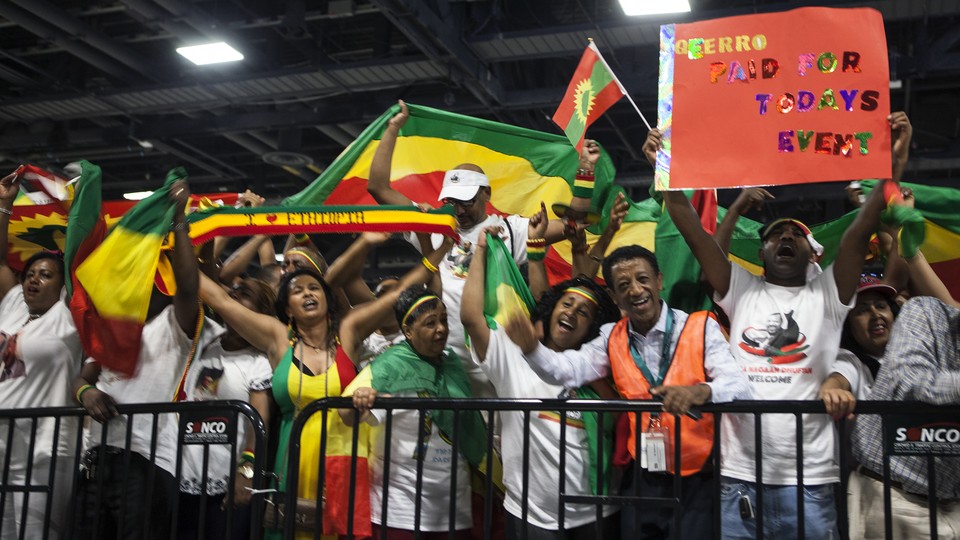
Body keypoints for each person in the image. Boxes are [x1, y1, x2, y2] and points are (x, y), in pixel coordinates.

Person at [655, 111, 912, 538]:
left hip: (810, 482)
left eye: (795, 233)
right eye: (776, 234)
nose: (786, 238)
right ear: (761, 252)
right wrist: (663, 165)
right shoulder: (740, 289)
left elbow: (862, 228)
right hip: (738, 478)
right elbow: (693, 231)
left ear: (811, 253)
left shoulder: (829, 295)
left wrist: (893, 171)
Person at [199, 234, 452, 540]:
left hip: (344, 460)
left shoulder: (347, 333)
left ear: (326, 298)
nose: (308, 293)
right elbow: (220, 300)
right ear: (288, 308)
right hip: (292, 460)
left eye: (314, 287)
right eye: (297, 290)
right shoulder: (279, 339)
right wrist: (177, 253)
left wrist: (441, 250)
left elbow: (396, 294)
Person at [506, 244, 752, 539]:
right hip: (642, 475)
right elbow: (566, 369)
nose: (635, 290)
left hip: (697, 478)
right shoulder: (611, 336)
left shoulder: (700, 326)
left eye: (643, 279)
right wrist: (532, 349)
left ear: (659, 281)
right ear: (614, 295)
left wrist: (699, 392)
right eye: (624, 285)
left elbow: (739, 386)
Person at [366, 100, 572, 396]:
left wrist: (585, 182)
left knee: (502, 435)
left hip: (498, 358)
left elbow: (569, 227)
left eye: (467, 201)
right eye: (453, 201)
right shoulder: (434, 225)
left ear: (486, 193)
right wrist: (393, 128)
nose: (459, 210)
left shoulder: (509, 229)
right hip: (444, 357)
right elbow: (378, 187)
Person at [461, 223, 622, 539]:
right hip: (531, 514)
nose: (572, 313)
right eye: (567, 304)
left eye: (584, 313)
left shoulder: (601, 367)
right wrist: (480, 250)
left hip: (597, 512)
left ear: (592, 328)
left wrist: (598, 380)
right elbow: (471, 317)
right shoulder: (512, 355)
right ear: (550, 311)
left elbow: (620, 421)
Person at [73, 180, 213, 540]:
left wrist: (179, 219)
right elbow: (81, 377)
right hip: (94, 460)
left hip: (145, 462)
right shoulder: (112, 324)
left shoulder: (174, 323)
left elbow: (188, 286)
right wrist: (86, 393)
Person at [341, 284, 487, 539]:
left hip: (454, 508)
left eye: (443, 320)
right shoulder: (389, 367)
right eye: (430, 323)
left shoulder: (452, 363)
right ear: (408, 331)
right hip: (401, 510)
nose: (441, 329)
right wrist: (361, 401)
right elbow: (347, 415)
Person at [0, 169, 83, 540]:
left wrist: (79, 202)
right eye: (31, 272)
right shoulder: (14, 303)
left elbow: (81, 257)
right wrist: (4, 204)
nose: (34, 278)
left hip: (45, 447)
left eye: (46, 275)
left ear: (62, 284)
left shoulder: (68, 317)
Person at [849, 296, 960, 538]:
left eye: (880, 306)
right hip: (895, 497)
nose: (876, 314)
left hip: (953, 503)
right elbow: (910, 382)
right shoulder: (924, 312)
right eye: (863, 310)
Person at [177, 278, 276, 540]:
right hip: (183, 476)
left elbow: (259, 420)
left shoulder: (259, 361)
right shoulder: (205, 340)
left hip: (227, 482)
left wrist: (247, 472)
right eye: (232, 291)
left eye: (244, 294)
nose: (232, 295)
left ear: (260, 312)